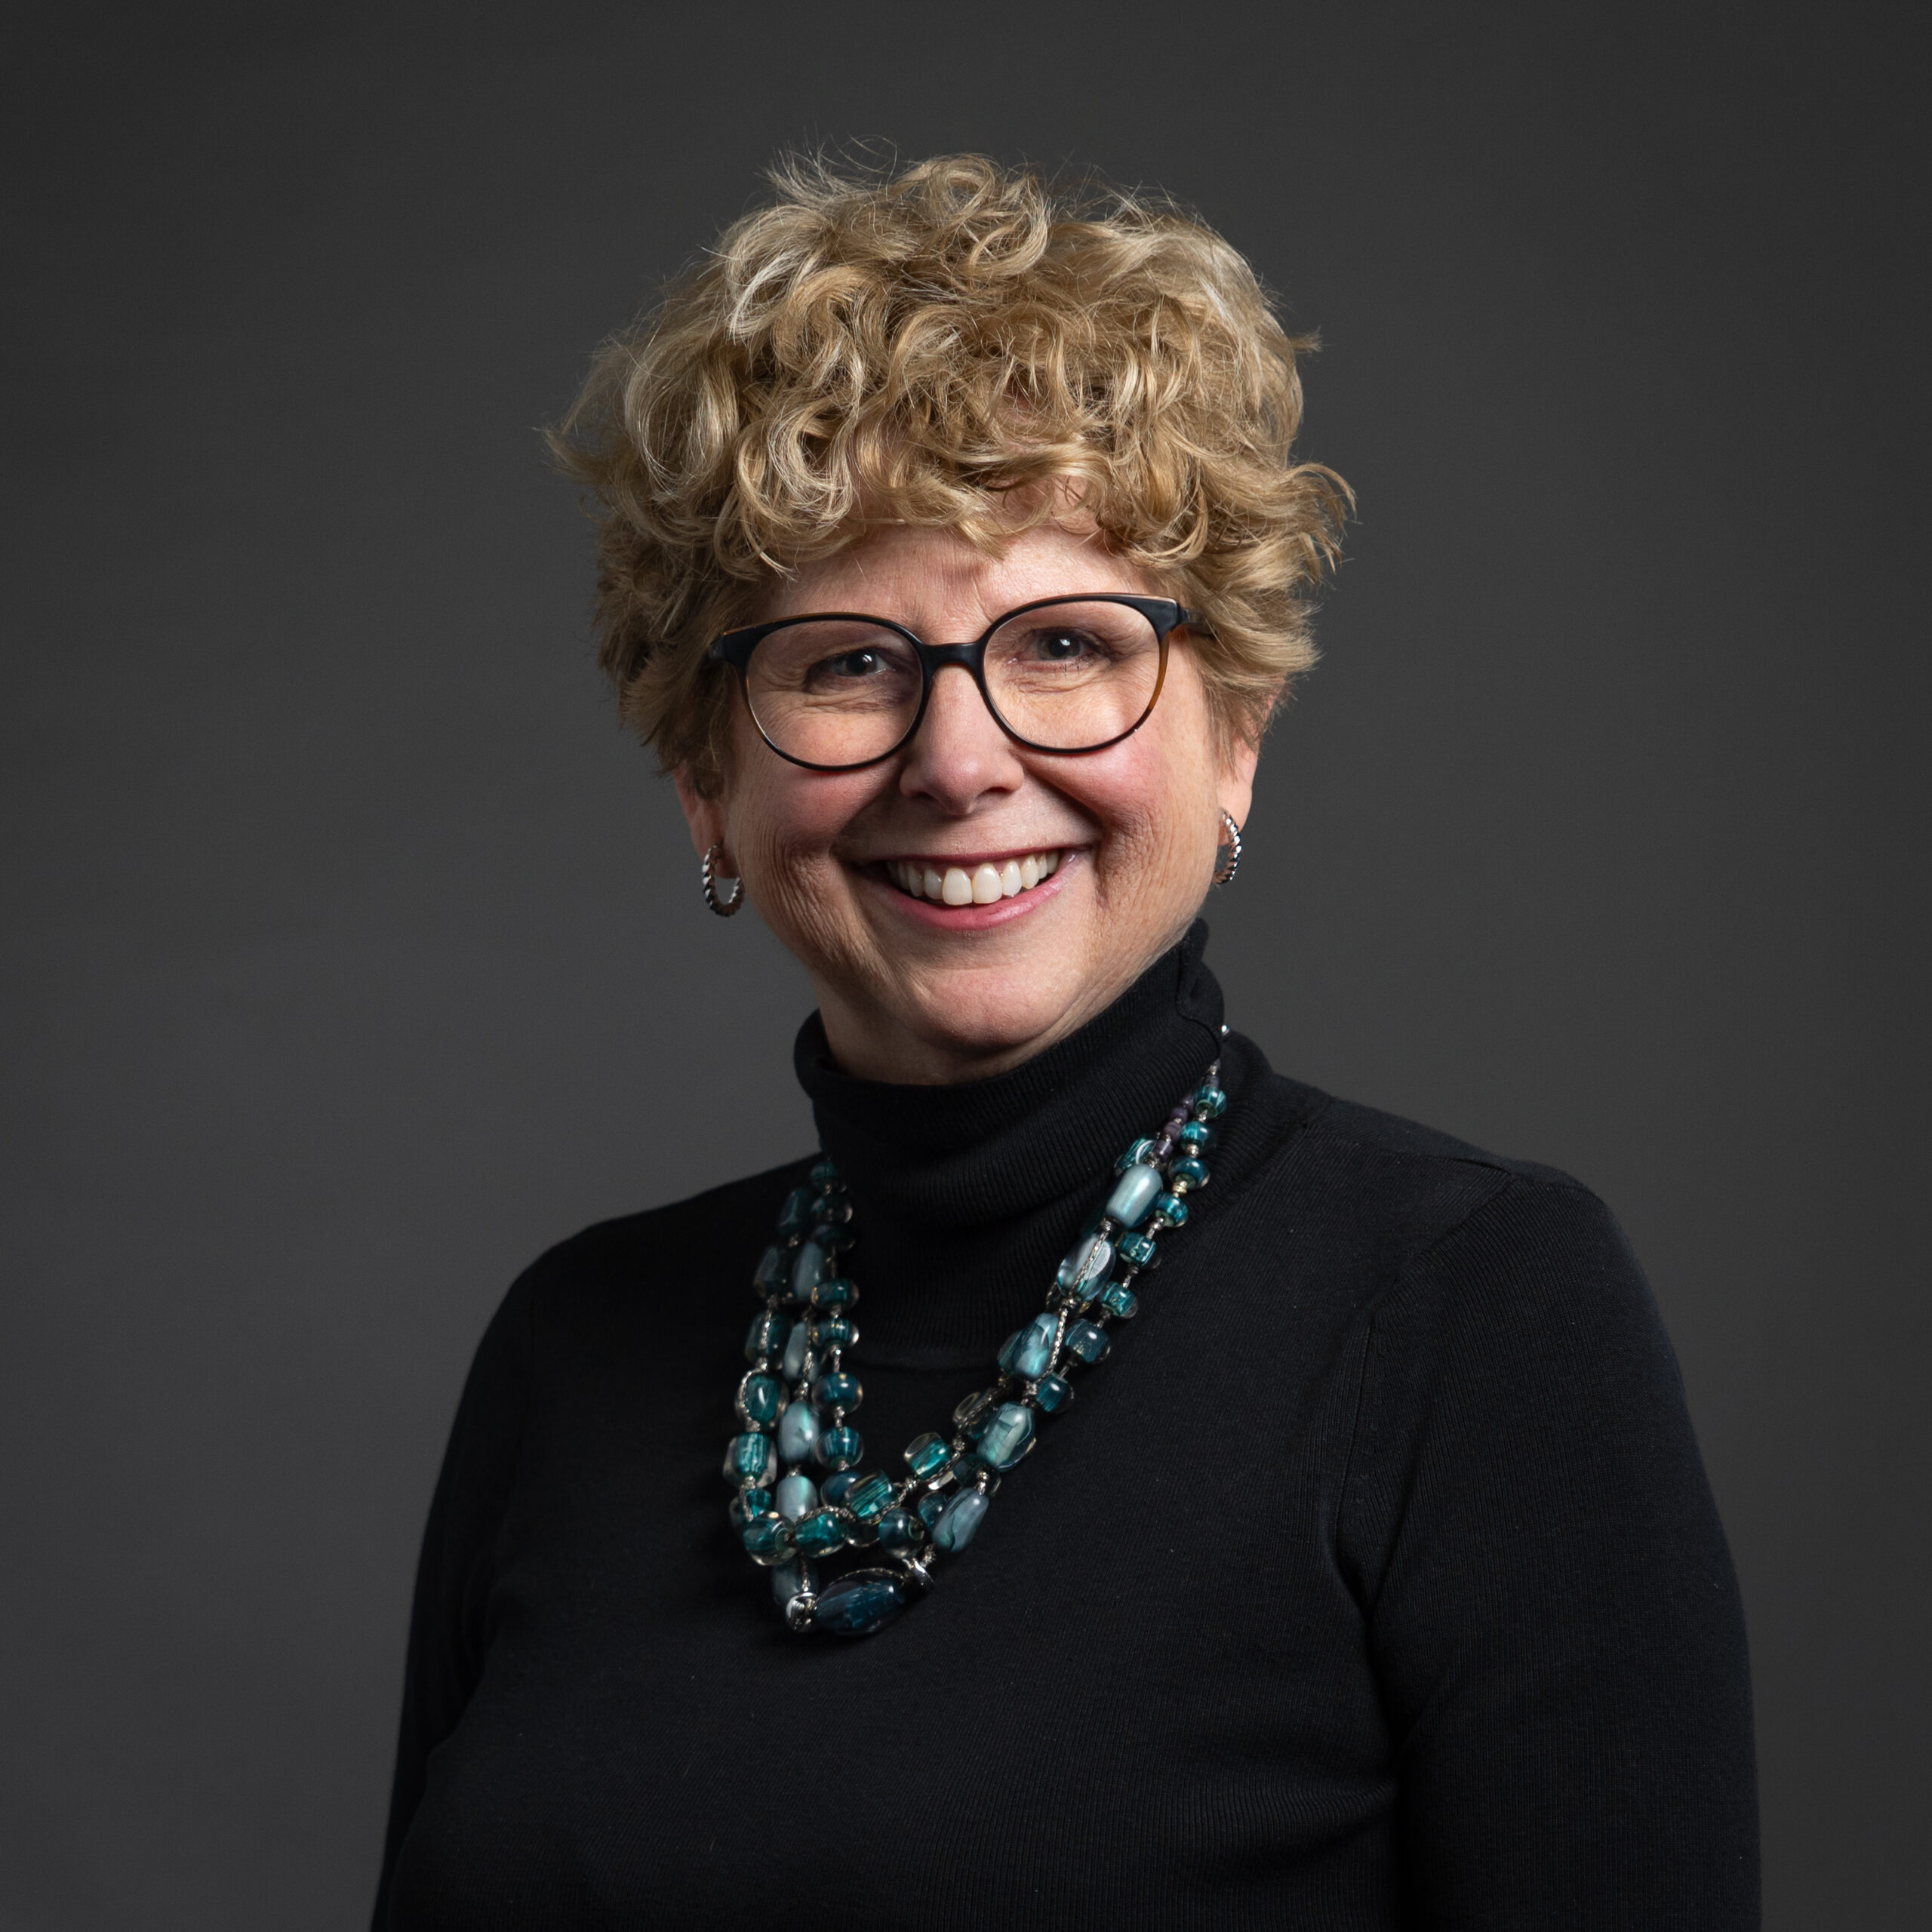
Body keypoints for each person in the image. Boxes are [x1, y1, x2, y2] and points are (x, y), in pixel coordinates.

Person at [371, 155, 1757, 1928]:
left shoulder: (1474, 1310)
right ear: (704, 778)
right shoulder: (571, 1342)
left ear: (1235, 735)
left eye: (1065, 643)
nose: (958, 761)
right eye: (846, 663)